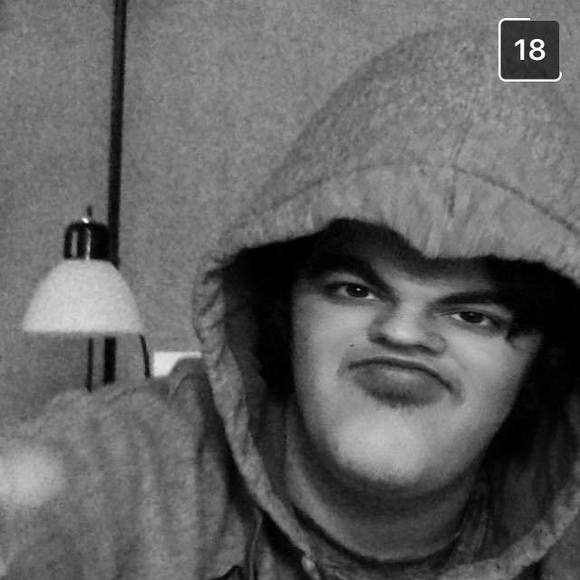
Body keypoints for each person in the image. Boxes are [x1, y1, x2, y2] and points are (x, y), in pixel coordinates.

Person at [3, 24, 580, 579]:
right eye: (355, 290)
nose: (403, 333)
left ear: (543, 363)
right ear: (283, 309)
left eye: (473, 316)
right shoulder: (117, 472)